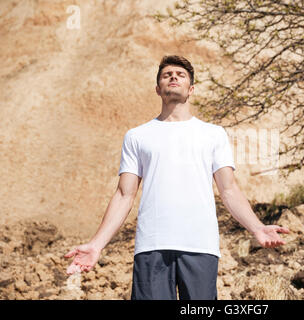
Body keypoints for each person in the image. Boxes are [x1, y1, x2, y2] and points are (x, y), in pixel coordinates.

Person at [64, 55, 290, 300]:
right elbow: (124, 194)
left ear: (191, 89)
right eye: (166, 75)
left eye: (180, 75)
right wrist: (97, 244)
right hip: (152, 246)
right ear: (158, 89)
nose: (173, 77)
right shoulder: (137, 136)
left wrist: (257, 227)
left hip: (200, 245)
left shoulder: (213, 134)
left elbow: (229, 190)